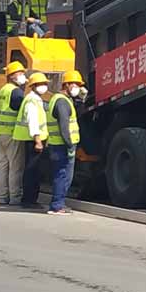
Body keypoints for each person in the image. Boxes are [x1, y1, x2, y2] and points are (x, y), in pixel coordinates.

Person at [46, 70, 84, 215]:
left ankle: (58, 204)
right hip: (62, 145)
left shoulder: (59, 99)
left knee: (61, 174)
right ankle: (57, 205)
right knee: (63, 175)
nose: (77, 88)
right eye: (75, 84)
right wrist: (69, 145)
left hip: (57, 143)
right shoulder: (62, 102)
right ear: (66, 84)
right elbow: (64, 126)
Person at [12, 71, 50, 209]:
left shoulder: (35, 99)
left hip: (34, 139)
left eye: (45, 84)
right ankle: (29, 200)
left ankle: (31, 199)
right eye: (41, 84)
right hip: (33, 140)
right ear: (33, 86)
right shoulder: (32, 101)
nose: (44, 86)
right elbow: (32, 121)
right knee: (32, 170)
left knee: (33, 170)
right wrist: (38, 140)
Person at [0, 62, 27, 205]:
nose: (23, 76)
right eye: (20, 73)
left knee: (3, 165)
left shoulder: (3, 90)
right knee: (15, 167)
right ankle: (15, 198)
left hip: (0, 133)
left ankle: (3, 197)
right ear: (12, 76)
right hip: (11, 134)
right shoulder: (16, 92)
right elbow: (25, 106)